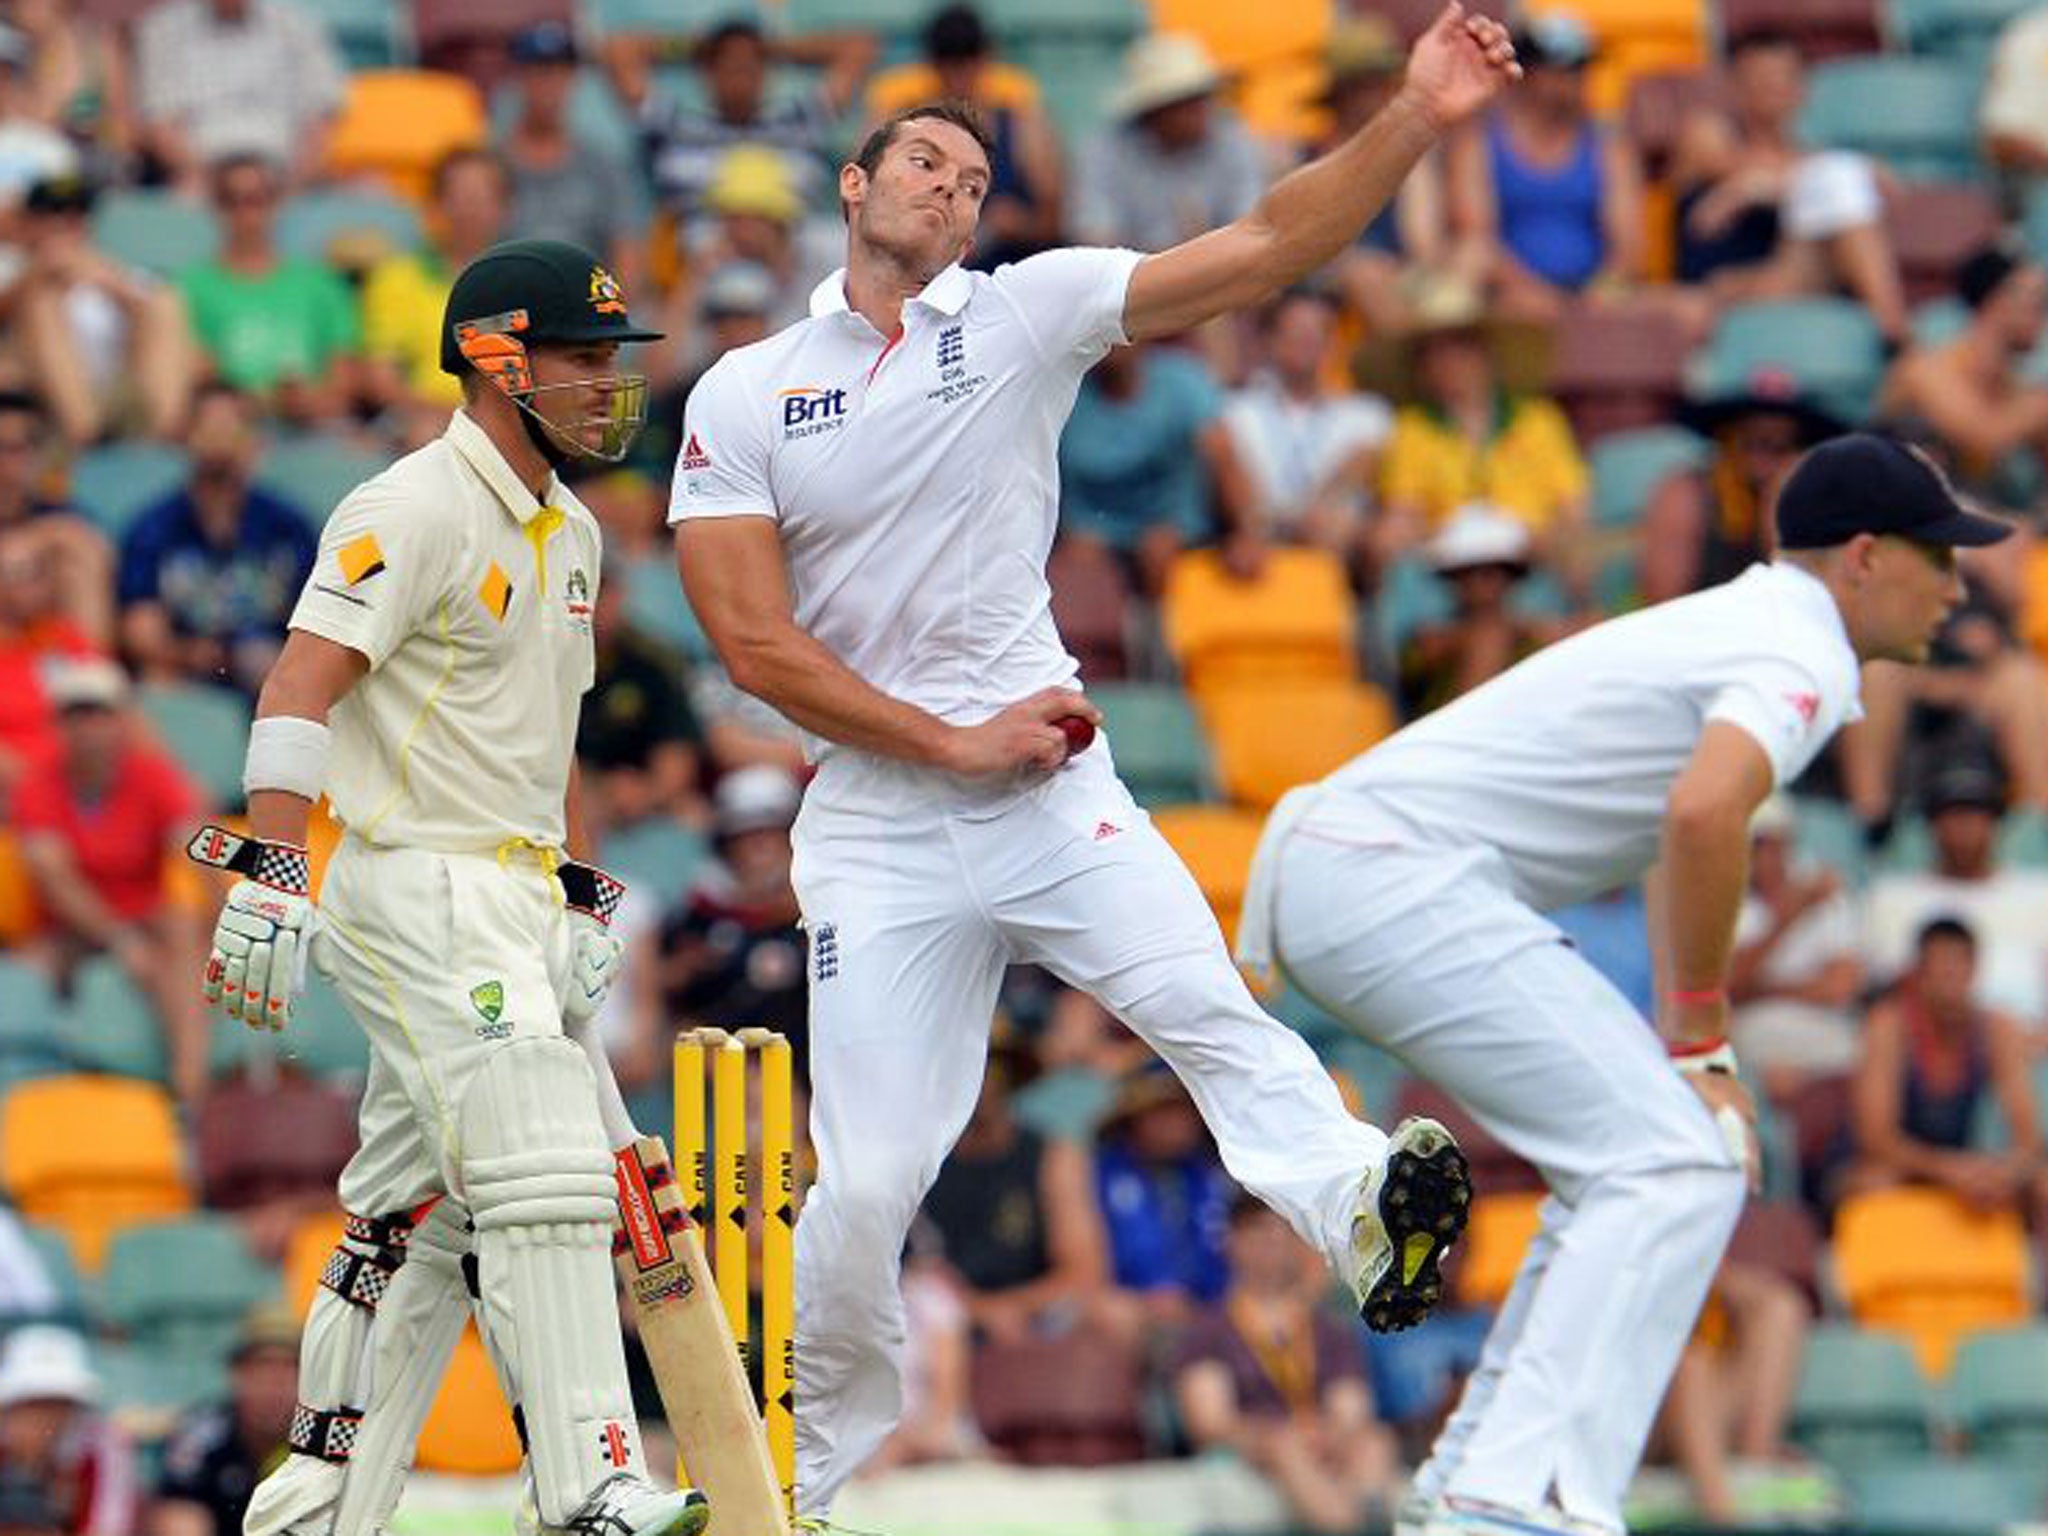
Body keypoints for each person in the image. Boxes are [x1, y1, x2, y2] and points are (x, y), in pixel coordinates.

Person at [669, 10, 1522, 1518]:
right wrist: (947, 741)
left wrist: (1416, 118)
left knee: (1205, 1007)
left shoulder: (1022, 312)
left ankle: (1360, 1213)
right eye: (923, 161)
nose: (953, 188)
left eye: (978, 176)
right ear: (854, 187)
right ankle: (791, 1475)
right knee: (865, 1187)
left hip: (1048, 790)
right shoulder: (745, 392)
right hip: (878, 822)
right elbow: (751, 648)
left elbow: (1261, 245)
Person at [1239, 432, 2012, 1536]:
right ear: (1860, 556)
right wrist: (1695, 1044)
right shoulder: (1799, 648)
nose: (1956, 581)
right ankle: (1515, 1504)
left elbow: (1680, 831)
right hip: (1383, 873)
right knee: (1672, 1154)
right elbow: (1703, 817)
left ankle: (1478, 1489)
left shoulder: (1753, 624)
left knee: (1649, 1158)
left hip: (1358, 870)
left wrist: (1690, 1046)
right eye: (1937, 554)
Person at [198, 237, 704, 1536]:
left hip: (517, 896)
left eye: (612, 361)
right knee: (541, 1151)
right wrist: (269, 867)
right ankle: (589, 1480)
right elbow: (299, 686)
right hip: (407, 882)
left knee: (406, 1216)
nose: (609, 387)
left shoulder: (575, 532)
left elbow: (552, 737)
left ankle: (314, 1503)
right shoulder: (406, 505)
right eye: (586, 362)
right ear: (497, 358)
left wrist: (585, 898)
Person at [13, 657, 206, 1104]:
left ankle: (189, 1089)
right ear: (59, 726)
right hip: (68, 930)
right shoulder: (39, 784)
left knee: (183, 935)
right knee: (28, 972)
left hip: (146, 914)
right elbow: (55, 881)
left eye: (99, 713)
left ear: (122, 721)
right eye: (76, 715)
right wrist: (121, 940)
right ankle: (40, 1105)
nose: (89, 728)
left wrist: (214, 913)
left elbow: (194, 844)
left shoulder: (152, 775)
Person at [1173, 1194, 1401, 1535]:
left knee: (1375, 1441)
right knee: (1284, 1444)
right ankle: (1344, 1526)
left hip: (1319, 1436)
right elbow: (1209, 1421)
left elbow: (1352, 1408)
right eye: (1258, 1233)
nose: (1272, 1245)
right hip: (1257, 1442)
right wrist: (1282, 1434)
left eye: (1283, 1234)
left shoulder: (1328, 1330)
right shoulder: (1208, 1331)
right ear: (1233, 1240)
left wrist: (1324, 1433)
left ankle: (1362, 1518)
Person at [1667, 29, 1908, 348]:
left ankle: (1891, 329)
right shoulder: (1708, 133)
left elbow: (1892, 193)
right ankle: (1896, 332)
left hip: (1795, 277)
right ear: (1734, 86)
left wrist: (1750, 191)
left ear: (1802, 89)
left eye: (1783, 77)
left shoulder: (1818, 161)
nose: (1772, 87)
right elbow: (1733, 165)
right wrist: (1756, 186)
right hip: (1720, 286)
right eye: (1759, 78)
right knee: (1838, 179)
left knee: (1839, 184)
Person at [1834, 916, 2048, 1221]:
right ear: (1919, 974)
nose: (1951, 981)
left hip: (1959, 1165)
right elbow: (1876, 1138)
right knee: (1877, 1183)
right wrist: (1947, 1169)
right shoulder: (1888, 1026)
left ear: (1975, 971)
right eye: (1941, 971)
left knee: (2040, 1185)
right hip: (1893, 1165)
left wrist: (2001, 1173)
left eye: (1959, 969)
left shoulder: (1996, 1028)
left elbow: (2028, 1139)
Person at [116, 382, 319, 698]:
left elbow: (317, 620)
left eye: (233, 428)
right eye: (209, 427)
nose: (220, 440)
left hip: (271, 667)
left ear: (256, 441)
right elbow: (140, 630)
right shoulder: (154, 528)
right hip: (185, 670)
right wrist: (186, 655)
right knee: (155, 679)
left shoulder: (287, 526)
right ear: (186, 437)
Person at [1447, 12, 1642, 322]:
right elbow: (1478, 240)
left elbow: (1627, 247)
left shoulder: (1608, 146)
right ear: (1530, 72)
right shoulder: (1480, 143)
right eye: (1566, 70)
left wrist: (1598, 296)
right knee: (1465, 277)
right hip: (1505, 292)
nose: (1578, 81)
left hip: (1591, 295)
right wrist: (1532, 293)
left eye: (1582, 69)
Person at [606, 15, 875, 229]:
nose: (740, 77)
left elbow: (858, 47)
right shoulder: (674, 126)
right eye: (729, 65)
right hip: (701, 260)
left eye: (750, 66)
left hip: (792, 260)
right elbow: (621, 50)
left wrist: (769, 48)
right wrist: (701, 48)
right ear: (707, 72)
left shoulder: (800, 121)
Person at [3, 172, 193, 447]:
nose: (65, 225)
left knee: (164, 302)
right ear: (29, 223)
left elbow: (164, 331)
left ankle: (158, 438)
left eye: (76, 215)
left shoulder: (115, 271)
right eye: (53, 214)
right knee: (42, 304)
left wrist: (113, 286)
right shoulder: (11, 268)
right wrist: (38, 274)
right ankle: (85, 433)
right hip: (39, 404)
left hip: (119, 394)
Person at [865, 4, 1063, 268]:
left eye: (966, 65)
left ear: (986, 59)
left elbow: (1052, 222)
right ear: (931, 64)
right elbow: (867, 202)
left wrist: (1020, 225)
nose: (958, 79)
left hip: (1009, 262)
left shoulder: (1020, 115)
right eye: (948, 67)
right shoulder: (901, 115)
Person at [1220, 287, 1392, 577]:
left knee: (1338, 524)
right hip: (1261, 538)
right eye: (1296, 332)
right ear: (1269, 340)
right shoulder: (1234, 411)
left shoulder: (1367, 414)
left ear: (1334, 343)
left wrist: (1308, 517)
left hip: (1335, 542)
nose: (1308, 341)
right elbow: (1238, 491)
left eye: (1318, 332)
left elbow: (1355, 477)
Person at [1864, 758, 2048, 1028]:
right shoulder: (1891, 897)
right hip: (1923, 1050)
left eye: (1977, 814)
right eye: (1952, 814)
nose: (1965, 827)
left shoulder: (2039, 893)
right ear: (1931, 825)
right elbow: (1881, 992)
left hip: (2031, 1044)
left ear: (1996, 824)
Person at [177, 153, 359, 425]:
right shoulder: (191, 288)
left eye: (255, 200)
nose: (245, 214)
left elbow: (344, 382)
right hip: (229, 421)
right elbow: (196, 376)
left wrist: (309, 402)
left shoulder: (321, 285)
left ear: (275, 204)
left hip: (314, 425)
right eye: (231, 201)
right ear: (216, 208)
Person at [1641, 368, 1844, 605]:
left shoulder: (1812, 500)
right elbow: (1662, 602)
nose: (1766, 459)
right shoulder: (1688, 493)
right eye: (1755, 442)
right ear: (1726, 439)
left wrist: (1780, 502)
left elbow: (1810, 599)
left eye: (1784, 445)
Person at [1071, 32, 1267, 255]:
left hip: (1222, 278)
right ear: (1154, 109)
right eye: (1187, 100)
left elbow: (1249, 232)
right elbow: (1093, 236)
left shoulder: (1232, 141)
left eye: (1203, 96)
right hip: (1132, 283)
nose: (1202, 109)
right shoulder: (1105, 151)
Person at [359, 148, 512, 429]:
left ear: (503, 208)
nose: (470, 208)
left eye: (481, 197)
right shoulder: (396, 277)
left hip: (507, 425)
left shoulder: (526, 284)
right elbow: (381, 382)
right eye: (460, 196)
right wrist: (460, 417)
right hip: (419, 422)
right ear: (436, 205)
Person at [131, 0, 346, 193]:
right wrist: (211, 183)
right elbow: (160, 123)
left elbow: (320, 119)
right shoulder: (162, 29)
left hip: (284, 170)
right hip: (203, 176)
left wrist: (294, 185)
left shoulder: (298, 24)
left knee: (367, 194)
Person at [1729, 796, 1865, 1098]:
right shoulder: (1726, 904)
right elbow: (1728, 987)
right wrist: (1790, 916)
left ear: (1786, 843)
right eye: (1754, 845)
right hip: (1755, 1038)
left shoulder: (1829, 896)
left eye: (1768, 844)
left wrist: (1762, 990)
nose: (1761, 855)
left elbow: (1841, 987)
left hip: (1825, 1034)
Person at [498, 23, 644, 293]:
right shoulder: (491, 164)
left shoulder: (601, 164)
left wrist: (606, 316)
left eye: (558, 72)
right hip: (509, 305)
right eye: (538, 71)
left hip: (587, 308)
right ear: (517, 77)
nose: (548, 84)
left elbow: (627, 252)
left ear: (572, 79)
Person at [1398, 503, 1575, 717]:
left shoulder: (1538, 637)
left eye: (1494, 571)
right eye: (1469, 572)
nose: (1480, 581)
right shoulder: (1429, 641)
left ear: (1512, 576)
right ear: (1453, 577)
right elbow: (1419, 657)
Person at [150, 1306, 302, 1536]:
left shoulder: (330, 1441)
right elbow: (178, 1518)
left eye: (287, 1370)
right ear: (237, 1374)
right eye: (262, 1368)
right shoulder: (200, 1434)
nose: (274, 1384)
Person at [0, 1325, 139, 1536]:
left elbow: (107, 1529)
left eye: (57, 1404)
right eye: (33, 1403)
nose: (45, 1418)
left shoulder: (102, 1446)